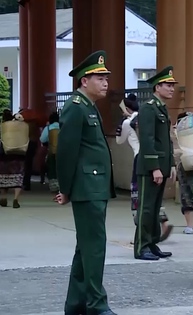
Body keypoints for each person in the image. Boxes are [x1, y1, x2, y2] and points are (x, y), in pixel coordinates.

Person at [55, 50, 117, 315]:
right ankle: (96, 304)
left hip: (94, 186)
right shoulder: (75, 107)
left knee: (86, 247)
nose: (105, 83)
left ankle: (76, 304)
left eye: (106, 78)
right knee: (94, 247)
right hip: (86, 187)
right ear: (83, 81)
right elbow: (66, 152)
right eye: (99, 77)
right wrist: (65, 188)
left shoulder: (88, 107)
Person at [134, 66, 178, 261]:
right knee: (146, 207)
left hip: (162, 166)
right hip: (150, 168)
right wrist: (155, 168)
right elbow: (147, 140)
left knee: (155, 207)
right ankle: (141, 245)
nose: (171, 89)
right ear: (157, 87)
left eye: (172, 85)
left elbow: (166, 140)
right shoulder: (148, 108)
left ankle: (152, 243)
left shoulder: (161, 107)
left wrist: (172, 164)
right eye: (168, 85)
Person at [173, 112, 193, 234]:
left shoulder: (175, 132)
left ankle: (190, 226)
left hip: (183, 166)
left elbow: (175, 150)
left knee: (186, 196)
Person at [115, 94, 141, 224]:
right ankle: (162, 221)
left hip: (139, 158)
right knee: (151, 193)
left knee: (136, 192)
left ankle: (138, 224)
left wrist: (121, 121)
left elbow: (119, 140)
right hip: (151, 157)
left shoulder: (127, 122)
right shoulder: (144, 117)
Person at [0, 109, 26, 208]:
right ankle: (16, 199)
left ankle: (3, 198)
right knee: (18, 177)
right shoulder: (18, 127)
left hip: (4, 154)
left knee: (3, 177)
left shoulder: (2, 127)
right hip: (18, 153)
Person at [40, 112, 60, 193]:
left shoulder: (48, 128)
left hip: (52, 151)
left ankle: (54, 186)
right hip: (63, 152)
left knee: (51, 168)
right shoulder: (64, 126)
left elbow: (42, 139)